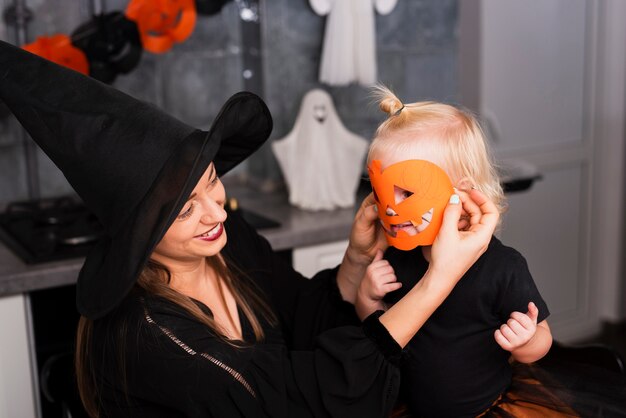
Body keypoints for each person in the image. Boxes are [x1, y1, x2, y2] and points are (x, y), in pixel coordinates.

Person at [0, 40, 499, 418]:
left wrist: (353, 260)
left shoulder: (225, 238)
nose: (216, 213)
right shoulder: (147, 333)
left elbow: (302, 316)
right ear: (140, 232)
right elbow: (303, 396)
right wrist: (440, 279)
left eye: (212, 182)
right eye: (185, 210)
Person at [356, 86, 626, 417]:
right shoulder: (396, 258)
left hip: (486, 410)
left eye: (406, 192)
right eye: (381, 192)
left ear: (462, 192)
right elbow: (379, 337)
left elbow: (541, 340)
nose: (391, 208)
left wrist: (525, 340)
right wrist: (368, 300)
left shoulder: (502, 267)